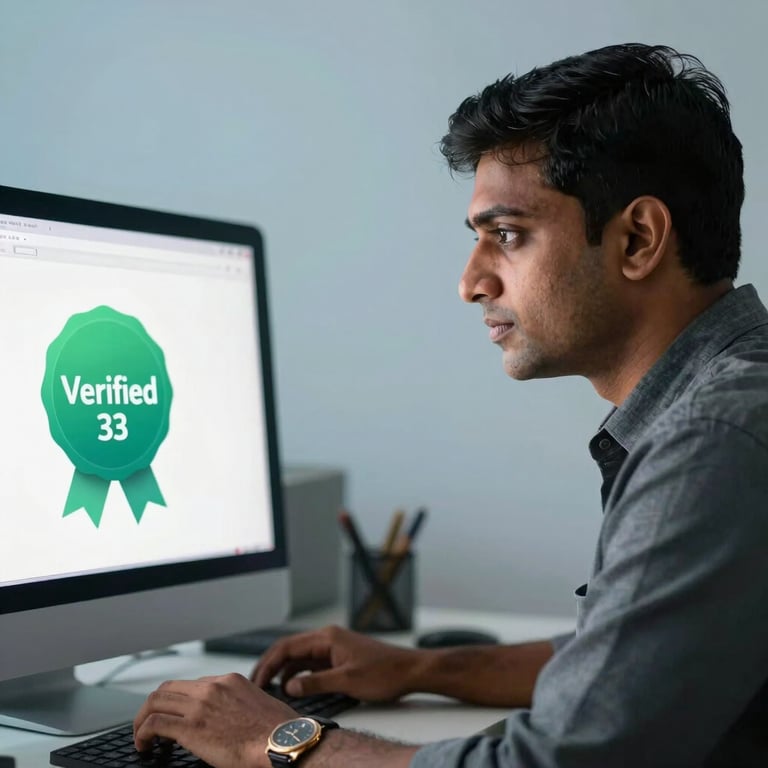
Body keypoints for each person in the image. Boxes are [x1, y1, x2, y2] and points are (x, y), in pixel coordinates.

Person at [133, 42, 768, 767]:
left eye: (507, 236)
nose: (471, 283)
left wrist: (276, 740)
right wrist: (423, 669)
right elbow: (635, 659)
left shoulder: (715, 439)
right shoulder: (734, 397)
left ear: (637, 239)